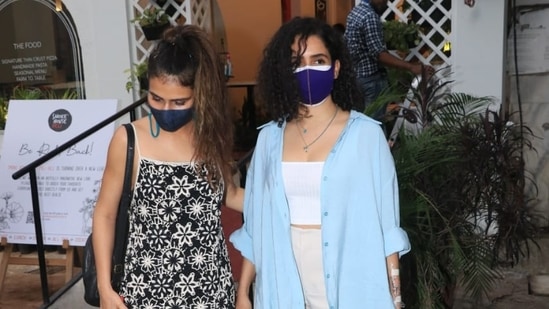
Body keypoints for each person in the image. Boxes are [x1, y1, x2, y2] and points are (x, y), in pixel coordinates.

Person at [231, 17, 410, 309]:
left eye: (318, 60)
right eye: (297, 62)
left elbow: (387, 225)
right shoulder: (269, 140)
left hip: (350, 278)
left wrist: (396, 295)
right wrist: (243, 292)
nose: (308, 70)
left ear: (336, 67)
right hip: (282, 279)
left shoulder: (366, 136)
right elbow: (256, 223)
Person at [92, 24, 243, 308]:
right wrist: (104, 286)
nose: (166, 110)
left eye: (179, 101)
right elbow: (104, 214)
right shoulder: (129, 140)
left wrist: (289, 200)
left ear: (200, 94)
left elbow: (230, 194)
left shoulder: (209, 138)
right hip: (147, 293)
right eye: (156, 99)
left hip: (211, 291)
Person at [344, 0, 434, 117]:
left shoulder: (355, 12)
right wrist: (411, 67)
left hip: (357, 78)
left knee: (360, 123)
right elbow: (379, 54)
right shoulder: (369, 16)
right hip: (371, 81)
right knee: (375, 124)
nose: (386, 2)